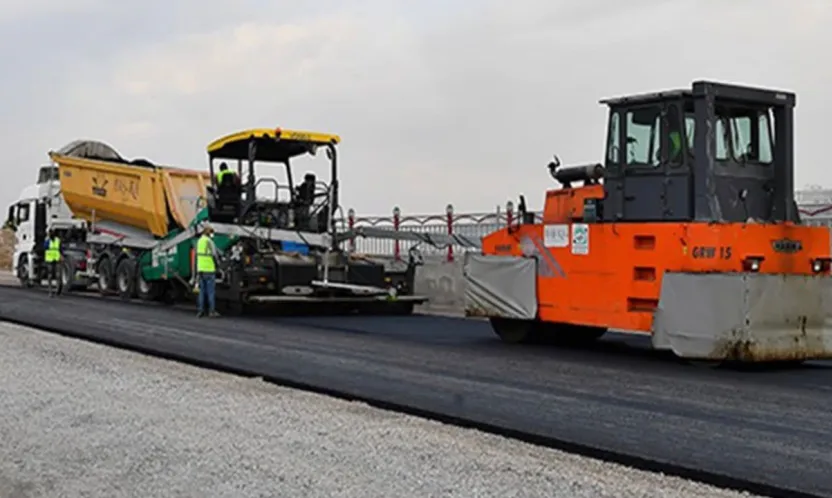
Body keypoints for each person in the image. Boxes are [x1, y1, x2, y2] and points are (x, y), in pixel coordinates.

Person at [195, 224, 220, 318]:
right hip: (209, 269)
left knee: (201, 292)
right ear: (209, 233)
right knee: (210, 292)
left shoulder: (199, 241)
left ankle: (200, 311)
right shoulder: (209, 241)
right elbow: (214, 254)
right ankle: (211, 311)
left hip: (200, 269)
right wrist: (218, 265)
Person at [44, 229, 63, 297]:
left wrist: (61, 255)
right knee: (51, 275)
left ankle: (55, 289)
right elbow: (45, 247)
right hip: (50, 258)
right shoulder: (48, 240)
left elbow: (60, 248)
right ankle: (51, 291)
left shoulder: (55, 240)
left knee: (57, 275)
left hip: (55, 258)